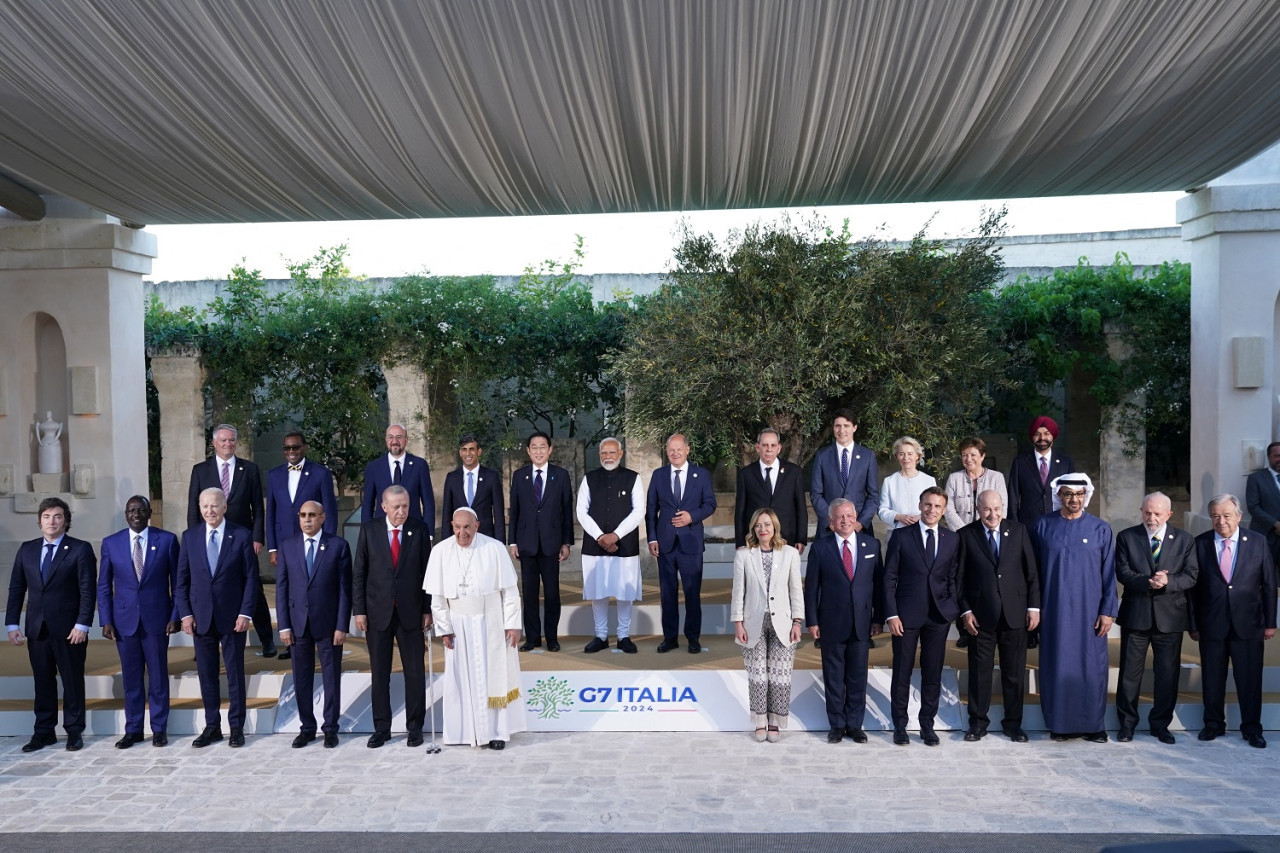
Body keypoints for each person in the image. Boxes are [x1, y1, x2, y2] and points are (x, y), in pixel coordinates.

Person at [425, 507, 526, 749]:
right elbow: (437, 597)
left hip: (490, 621)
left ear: (477, 526)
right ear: (451, 526)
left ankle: (497, 733)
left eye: (467, 527)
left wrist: (512, 624)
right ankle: (463, 733)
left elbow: (510, 592)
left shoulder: (494, 548)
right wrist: (444, 629)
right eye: (457, 527)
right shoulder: (440, 551)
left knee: (493, 676)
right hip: (458, 624)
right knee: (461, 678)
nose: (462, 533)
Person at [1031, 474, 1117, 743]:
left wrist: (1108, 610)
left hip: (1090, 613)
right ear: (1059, 496)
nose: (1074, 499)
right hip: (1053, 610)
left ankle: (1094, 725)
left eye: (1079, 494)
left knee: (1092, 667)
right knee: (1057, 666)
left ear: (1086, 496)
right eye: (1068, 494)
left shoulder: (1100, 529)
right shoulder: (1042, 526)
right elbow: (1032, 572)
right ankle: (1060, 724)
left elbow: (1109, 573)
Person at [5, 497, 96, 753]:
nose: (52, 521)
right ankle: (44, 732)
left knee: (72, 681)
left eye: (57, 516)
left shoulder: (80, 549)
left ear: (66, 521)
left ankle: (74, 731)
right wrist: (12, 624)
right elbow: (16, 589)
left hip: (70, 630)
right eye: (47, 517)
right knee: (42, 681)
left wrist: (83, 624)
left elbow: (87, 591)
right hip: (37, 628)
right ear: (39, 521)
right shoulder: (27, 550)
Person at [1189, 494, 1276, 749]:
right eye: (1215, 516)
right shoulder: (1200, 543)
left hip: (1248, 624)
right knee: (1212, 678)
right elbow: (1192, 590)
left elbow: (1269, 585)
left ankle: (1252, 729)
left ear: (1238, 516)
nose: (1221, 521)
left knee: (1250, 679)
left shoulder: (1258, 542)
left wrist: (1270, 622)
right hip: (1211, 624)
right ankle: (1213, 724)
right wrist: (1193, 624)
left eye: (1227, 515)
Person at [175, 487, 259, 748]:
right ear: (199, 509)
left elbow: (251, 580)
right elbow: (181, 581)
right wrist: (186, 614)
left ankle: (236, 728)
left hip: (233, 618)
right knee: (206, 675)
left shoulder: (241, 536)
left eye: (214, 506)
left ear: (224, 508)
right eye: (205, 506)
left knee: (234, 674)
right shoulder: (190, 537)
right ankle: (212, 727)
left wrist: (245, 612)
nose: (209, 511)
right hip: (200, 619)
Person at [1113, 491, 1199, 744]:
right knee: (1129, 674)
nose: (1151, 518)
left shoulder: (1185, 539)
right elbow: (1122, 571)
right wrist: (1147, 582)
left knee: (1167, 674)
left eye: (1157, 513)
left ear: (1169, 514)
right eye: (1147, 512)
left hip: (1170, 618)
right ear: (1141, 511)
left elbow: (1192, 575)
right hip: (1136, 616)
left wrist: (1168, 581)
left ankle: (1160, 725)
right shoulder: (1127, 537)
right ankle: (1127, 725)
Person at [956, 489, 1039, 742]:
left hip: (1015, 615)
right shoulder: (966, 535)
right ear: (978, 509)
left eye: (996, 509)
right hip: (980, 618)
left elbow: (1032, 573)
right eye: (987, 509)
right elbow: (958, 579)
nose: (992, 514)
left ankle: (1013, 724)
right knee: (979, 673)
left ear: (1003, 507)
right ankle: (978, 724)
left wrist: (1033, 608)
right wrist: (965, 611)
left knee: (1013, 674)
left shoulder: (1018, 531)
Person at [353, 485, 432, 748]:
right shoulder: (369, 530)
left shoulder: (419, 529)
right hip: (377, 613)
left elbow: (427, 574)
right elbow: (360, 573)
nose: (402, 512)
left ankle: (415, 727)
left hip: (411, 612)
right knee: (380, 673)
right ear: (384, 506)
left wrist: (427, 609)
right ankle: (382, 728)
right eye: (396, 507)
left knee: (415, 673)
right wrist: (360, 610)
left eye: (406, 506)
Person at [186, 423, 276, 658]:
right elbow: (193, 509)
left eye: (232, 440)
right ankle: (204, 642)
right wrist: (195, 542)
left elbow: (258, 507)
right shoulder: (200, 470)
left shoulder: (250, 469)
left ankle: (267, 639)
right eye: (223, 440)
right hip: (209, 540)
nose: (228, 444)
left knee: (252, 588)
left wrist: (257, 538)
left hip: (241, 540)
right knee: (207, 589)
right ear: (214, 443)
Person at [98, 495, 180, 748]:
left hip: (157, 620)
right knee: (131, 678)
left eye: (141, 510)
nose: (136, 514)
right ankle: (133, 729)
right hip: (124, 621)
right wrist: (106, 619)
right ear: (126, 514)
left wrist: (175, 615)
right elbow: (103, 586)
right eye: (131, 510)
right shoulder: (111, 543)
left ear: (149, 513)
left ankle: (158, 728)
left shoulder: (166, 541)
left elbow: (177, 584)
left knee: (157, 677)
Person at [883, 486, 960, 746]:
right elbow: (889, 578)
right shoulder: (901, 537)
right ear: (920, 505)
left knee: (932, 673)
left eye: (937, 506)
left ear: (944, 510)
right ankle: (900, 726)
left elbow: (952, 578)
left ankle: (928, 724)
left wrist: (951, 609)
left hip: (938, 617)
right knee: (902, 672)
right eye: (928, 505)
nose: (931, 510)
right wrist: (891, 614)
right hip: (905, 616)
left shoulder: (952, 539)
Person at [804, 499, 883, 744]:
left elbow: (879, 585)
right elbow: (812, 588)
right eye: (840, 517)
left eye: (849, 515)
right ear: (830, 522)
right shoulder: (820, 548)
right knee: (834, 678)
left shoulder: (872, 544)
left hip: (862, 624)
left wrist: (878, 618)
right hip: (831, 623)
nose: (845, 520)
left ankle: (855, 725)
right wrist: (812, 620)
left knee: (857, 678)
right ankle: (837, 725)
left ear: (856, 516)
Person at [277, 500, 352, 749]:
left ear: (322, 517)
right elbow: (282, 588)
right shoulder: (288, 546)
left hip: (329, 626)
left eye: (312, 515)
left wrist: (342, 625)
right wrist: (284, 626)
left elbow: (344, 590)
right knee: (302, 678)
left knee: (331, 678)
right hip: (298, 626)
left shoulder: (338, 546)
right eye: (303, 515)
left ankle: (330, 728)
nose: (307, 519)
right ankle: (307, 728)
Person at [731, 508, 803, 742]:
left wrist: (797, 622)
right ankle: (760, 721)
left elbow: (795, 590)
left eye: (767, 525)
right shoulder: (743, 555)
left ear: (775, 528)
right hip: (753, 623)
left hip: (782, 622)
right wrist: (738, 623)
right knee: (758, 676)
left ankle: (775, 722)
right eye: (758, 525)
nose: (763, 529)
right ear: (753, 528)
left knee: (780, 676)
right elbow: (738, 592)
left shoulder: (790, 554)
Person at [265, 431, 338, 660]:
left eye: (295, 447)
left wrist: (329, 543)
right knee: (289, 591)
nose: (291, 452)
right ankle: (292, 640)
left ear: (304, 448)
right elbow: (272, 514)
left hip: (316, 543)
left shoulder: (320, 473)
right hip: (287, 545)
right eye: (287, 448)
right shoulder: (274, 475)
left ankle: (321, 636)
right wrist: (273, 547)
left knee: (318, 588)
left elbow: (330, 511)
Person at [647, 433, 717, 653]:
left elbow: (710, 504)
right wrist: (652, 538)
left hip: (691, 542)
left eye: (679, 449)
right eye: (671, 450)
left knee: (692, 592)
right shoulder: (658, 475)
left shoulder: (701, 475)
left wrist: (692, 516)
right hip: (665, 543)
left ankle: (693, 638)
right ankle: (670, 638)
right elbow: (650, 510)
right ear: (666, 452)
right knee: (667, 593)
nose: (675, 453)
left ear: (687, 450)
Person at [577, 437, 645, 653]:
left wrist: (615, 536)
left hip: (624, 546)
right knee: (599, 592)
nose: (608, 457)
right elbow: (581, 511)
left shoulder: (633, 478)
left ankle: (624, 635)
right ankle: (601, 635)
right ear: (600, 455)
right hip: (595, 546)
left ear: (621, 454)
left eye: (612, 453)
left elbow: (638, 512)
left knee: (625, 592)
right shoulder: (589, 479)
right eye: (604, 453)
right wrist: (601, 537)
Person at [508, 431, 573, 652]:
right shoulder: (519, 476)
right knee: (529, 593)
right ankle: (533, 637)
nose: (538, 451)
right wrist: (513, 542)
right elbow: (514, 511)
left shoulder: (561, 475)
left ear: (550, 449)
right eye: (534, 447)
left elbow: (566, 510)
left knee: (552, 593)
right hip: (526, 544)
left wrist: (566, 542)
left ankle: (552, 638)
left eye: (542, 446)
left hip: (551, 543)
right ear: (528, 451)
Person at [734, 427, 808, 553]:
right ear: (758, 447)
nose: (769, 449)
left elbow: (800, 507)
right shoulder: (746, 474)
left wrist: (801, 538)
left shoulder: (794, 472)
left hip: (787, 538)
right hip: (756, 539)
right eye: (765, 445)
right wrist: (740, 542)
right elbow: (740, 510)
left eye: (773, 445)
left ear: (779, 448)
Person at [810, 410, 879, 534]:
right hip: (829, 529)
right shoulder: (822, 456)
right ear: (833, 428)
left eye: (846, 426)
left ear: (854, 428)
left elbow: (873, 495)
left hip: (859, 528)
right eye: (838, 426)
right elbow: (816, 494)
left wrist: (861, 522)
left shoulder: (867, 456)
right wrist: (830, 521)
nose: (841, 431)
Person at [361, 423, 435, 535]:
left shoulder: (419, 465)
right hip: (382, 533)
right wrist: (366, 535)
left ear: (406, 440)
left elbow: (428, 503)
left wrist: (428, 535)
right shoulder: (374, 467)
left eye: (399, 437)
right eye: (390, 437)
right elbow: (367, 504)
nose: (394, 441)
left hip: (414, 531)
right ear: (386, 440)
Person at [1007, 416, 1073, 527]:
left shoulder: (1065, 463)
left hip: (1059, 523)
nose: (1042, 438)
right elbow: (1013, 497)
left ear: (1053, 436)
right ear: (1032, 436)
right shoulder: (1020, 462)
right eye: (1037, 434)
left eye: (1047, 433)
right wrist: (1014, 526)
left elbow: (1072, 494)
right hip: (1028, 525)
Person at [441, 434, 506, 542]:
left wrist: (500, 544)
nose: (468, 453)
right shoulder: (452, 478)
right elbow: (446, 514)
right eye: (464, 449)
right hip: (459, 539)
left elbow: (499, 515)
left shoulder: (491, 477)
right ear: (460, 452)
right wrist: (446, 542)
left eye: (472, 449)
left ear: (479, 451)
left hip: (486, 539)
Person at [944, 437, 1008, 532]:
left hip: (988, 533)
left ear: (982, 456)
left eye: (973, 455)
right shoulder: (954, 479)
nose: (968, 459)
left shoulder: (996, 477)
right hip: (960, 534)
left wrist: (988, 530)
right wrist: (965, 532)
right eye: (964, 455)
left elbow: (1003, 507)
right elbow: (948, 509)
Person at [878, 436, 938, 531]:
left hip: (922, 530)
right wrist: (899, 516)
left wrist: (920, 517)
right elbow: (882, 511)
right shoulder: (889, 481)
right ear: (896, 456)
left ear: (917, 456)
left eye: (910, 454)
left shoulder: (929, 480)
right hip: (896, 532)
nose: (906, 458)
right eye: (901, 454)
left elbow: (935, 508)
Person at [1244, 441, 1280, 562]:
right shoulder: (1256, 479)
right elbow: (1253, 507)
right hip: (1265, 536)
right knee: (1265, 576)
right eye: (1277, 456)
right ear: (1269, 457)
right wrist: (1275, 524)